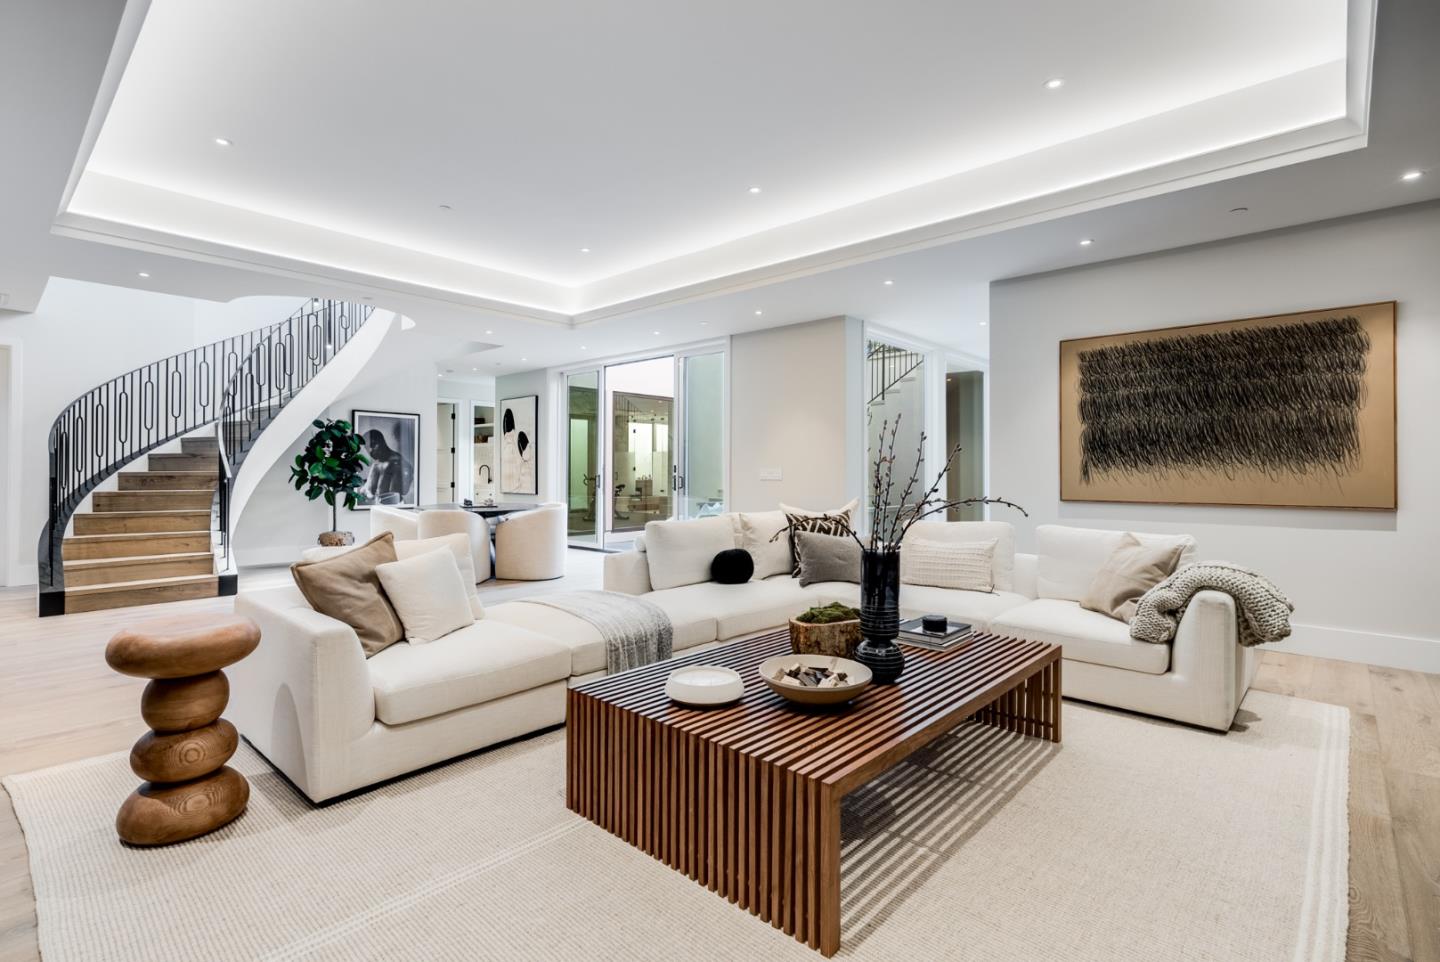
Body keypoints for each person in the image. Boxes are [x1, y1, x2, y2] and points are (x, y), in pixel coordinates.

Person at [362, 428, 414, 505]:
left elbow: (398, 494)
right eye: (366, 447)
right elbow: (369, 491)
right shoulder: (377, 464)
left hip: (393, 509)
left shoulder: (397, 463)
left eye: (373, 445)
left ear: (382, 442)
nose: (370, 450)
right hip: (381, 509)